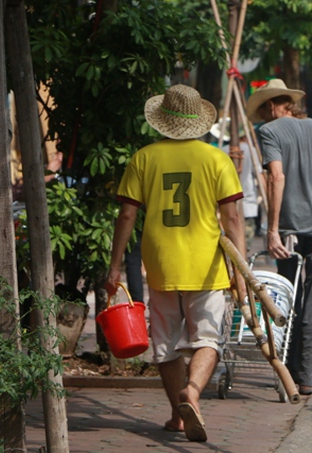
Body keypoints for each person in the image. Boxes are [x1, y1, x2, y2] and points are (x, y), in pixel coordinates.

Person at [104, 85, 246, 442]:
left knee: (165, 344)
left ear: (162, 121)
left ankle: (176, 415)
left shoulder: (145, 157)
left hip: (161, 264)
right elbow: (232, 219)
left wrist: (115, 266)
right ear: (198, 121)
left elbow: (126, 216)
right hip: (207, 266)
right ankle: (193, 394)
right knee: (208, 339)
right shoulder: (217, 159)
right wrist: (240, 270)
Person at [245, 78, 312, 396]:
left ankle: (286, 365)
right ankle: (307, 377)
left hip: (288, 230)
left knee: (289, 295)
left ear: (272, 105)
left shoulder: (270, 132)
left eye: (262, 109)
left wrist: (272, 229)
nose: (262, 116)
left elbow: (276, 176)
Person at [214, 121, 263, 251]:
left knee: (228, 251)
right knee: (243, 250)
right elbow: (260, 176)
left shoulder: (221, 152)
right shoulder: (251, 151)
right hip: (249, 205)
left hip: (225, 207)